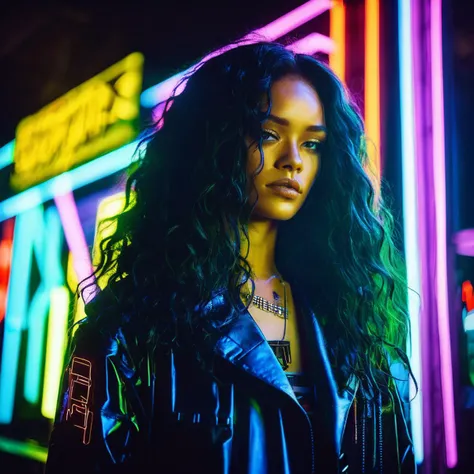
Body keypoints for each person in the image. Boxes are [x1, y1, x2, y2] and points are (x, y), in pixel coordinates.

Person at [45, 41, 416, 473]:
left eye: (312, 144)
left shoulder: (355, 320)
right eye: (269, 134)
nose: (293, 160)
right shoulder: (130, 331)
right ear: (213, 142)